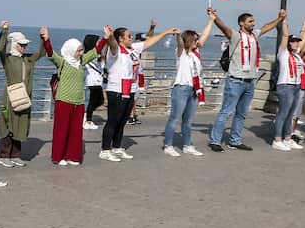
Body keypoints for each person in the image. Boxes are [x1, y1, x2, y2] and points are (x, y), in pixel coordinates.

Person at [207, 9, 286, 152]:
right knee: (226, 112)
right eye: (250, 21)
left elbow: (267, 27)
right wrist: (215, 17)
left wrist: (279, 19)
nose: (253, 23)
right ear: (241, 23)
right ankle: (215, 141)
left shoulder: (254, 35)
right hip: (235, 81)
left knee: (242, 114)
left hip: (250, 82)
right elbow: (223, 27)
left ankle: (235, 141)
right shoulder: (235, 35)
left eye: (253, 21)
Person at [99, 23, 170, 161]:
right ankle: (105, 150)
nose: (131, 37)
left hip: (130, 89)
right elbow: (112, 44)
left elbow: (149, 42)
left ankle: (117, 147)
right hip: (117, 90)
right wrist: (110, 36)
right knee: (113, 121)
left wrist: (166, 33)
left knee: (122, 121)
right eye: (128, 36)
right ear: (121, 39)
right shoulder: (115, 51)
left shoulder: (132, 49)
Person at [41, 27, 106, 165]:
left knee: (76, 131)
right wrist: (46, 39)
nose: (81, 53)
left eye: (82, 50)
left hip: (79, 102)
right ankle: (59, 156)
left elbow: (95, 52)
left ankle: (73, 156)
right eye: (78, 51)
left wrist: (106, 38)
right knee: (61, 130)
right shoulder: (62, 62)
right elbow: (51, 53)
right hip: (64, 101)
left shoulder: (81, 62)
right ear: (71, 50)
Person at [163, 10, 216, 157]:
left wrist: (211, 21)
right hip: (181, 88)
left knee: (188, 120)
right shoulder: (181, 53)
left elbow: (204, 36)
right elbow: (180, 43)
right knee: (174, 118)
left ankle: (187, 145)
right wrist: (178, 35)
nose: (196, 41)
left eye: (196, 39)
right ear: (188, 40)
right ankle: (168, 145)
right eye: (194, 39)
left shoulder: (196, 52)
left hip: (194, 89)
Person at [0, 19, 40, 167]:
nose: (24, 47)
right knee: (8, 124)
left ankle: (16, 155)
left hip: (24, 97)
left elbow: (41, 53)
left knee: (20, 124)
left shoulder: (27, 59)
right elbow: (1, 49)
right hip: (11, 97)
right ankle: (4, 156)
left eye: (25, 45)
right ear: (14, 44)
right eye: (21, 44)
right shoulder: (8, 59)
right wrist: (4, 31)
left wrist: (44, 39)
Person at [271, 21, 305, 152]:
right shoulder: (283, 53)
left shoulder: (296, 56)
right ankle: (277, 140)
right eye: (293, 42)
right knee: (283, 113)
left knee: (291, 114)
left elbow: (303, 41)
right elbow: (285, 36)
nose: (296, 44)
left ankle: (287, 138)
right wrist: (284, 22)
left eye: (297, 42)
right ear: (288, 43)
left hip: (296, 86)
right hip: (285, 85)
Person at [82, 34, 105, 131]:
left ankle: (86, 116)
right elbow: (101, 61)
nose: (99, 43)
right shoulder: (90, 55)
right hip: (92, 81)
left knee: (100, 101)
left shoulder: (94, 54)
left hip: (97, 81)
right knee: (92, 102)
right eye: (98, 41)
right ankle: (87, 121)